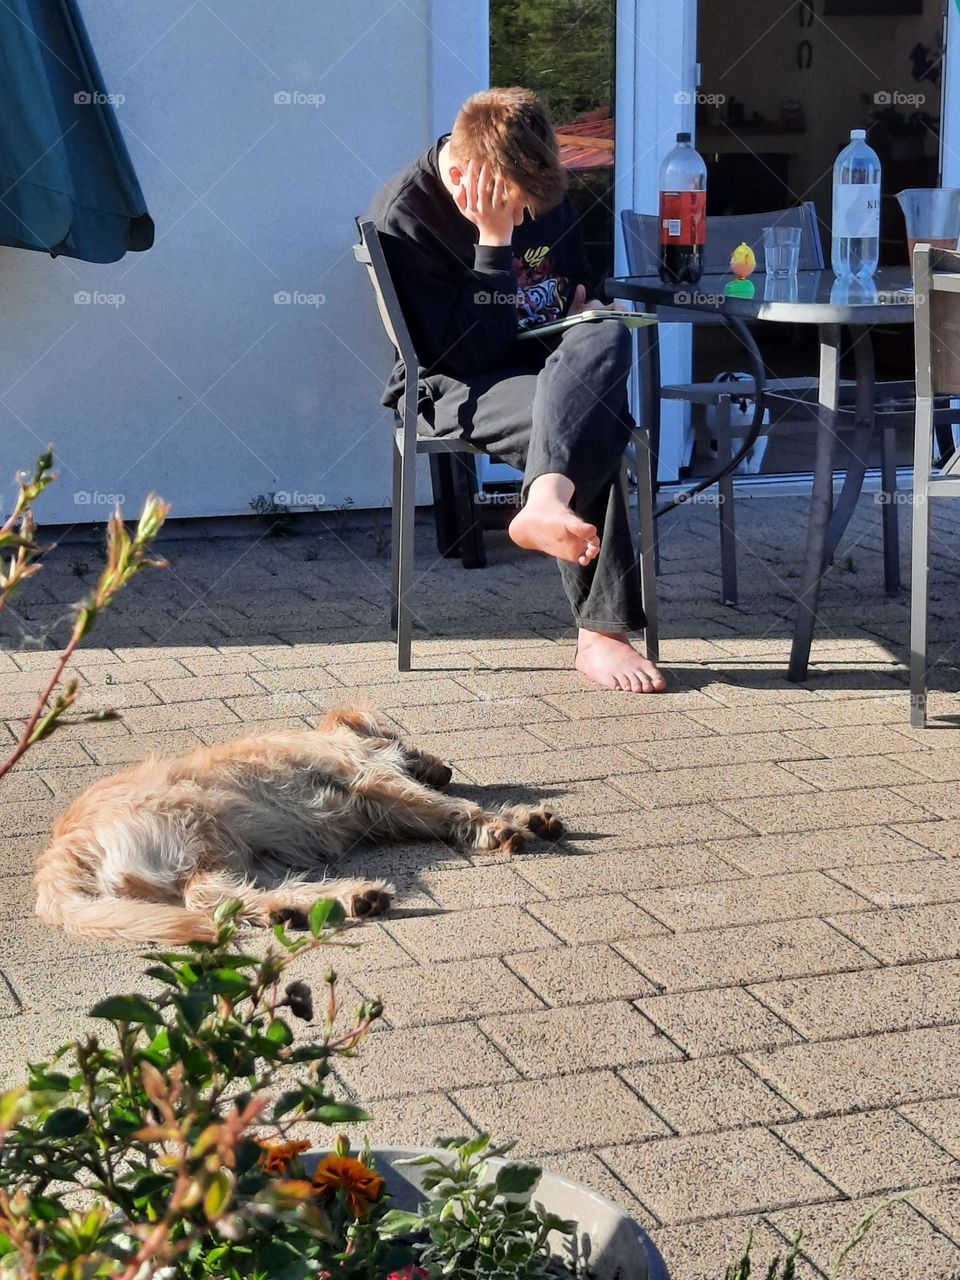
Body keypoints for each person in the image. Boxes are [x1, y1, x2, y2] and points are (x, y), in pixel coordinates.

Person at [364, 87, 665, 694]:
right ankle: (601, 634)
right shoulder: (405, 217)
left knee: (605, 333)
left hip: (548, 365)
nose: (528, 218)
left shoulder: (535, 185)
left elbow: (576, 276)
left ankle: (545, 502)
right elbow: (463, 355)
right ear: (462, 174)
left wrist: (583, 303)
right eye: (516, 206)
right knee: (591, 419)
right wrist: (493, 243)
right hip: (450, 384)